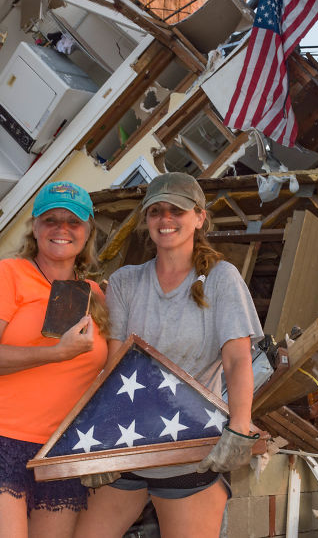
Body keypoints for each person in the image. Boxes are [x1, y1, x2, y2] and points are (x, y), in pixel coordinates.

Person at [74, 172, 263, 538]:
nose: (166, 220)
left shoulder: (222, 279)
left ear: (199, 217)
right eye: (156, 211)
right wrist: (97, 435)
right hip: (127, 446)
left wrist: (239, 426)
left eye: (176, 210)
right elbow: (113, 367)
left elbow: (238, 360)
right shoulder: (127, 282)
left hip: (190, 451)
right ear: (146, 221)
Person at [0, 181, 111, 538]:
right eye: (51, 219)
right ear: (35, 227)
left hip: (59, 449)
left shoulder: (96, 295)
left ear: (88, 232)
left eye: (74, 222)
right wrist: (55, 353)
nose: (62, 229)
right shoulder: (9, 274)